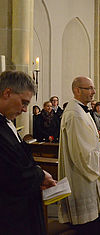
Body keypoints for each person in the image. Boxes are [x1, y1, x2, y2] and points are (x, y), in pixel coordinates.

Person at [0, 70, 56, 235]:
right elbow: (9, 170)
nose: (25, 110)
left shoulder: (7, 122)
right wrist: (39, 175)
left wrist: (38, 175)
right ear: (7, 93)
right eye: (23, 102)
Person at [58, 76, 100, 234]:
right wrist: (99, 157)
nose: (93, 92)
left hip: (88, 175)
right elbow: (80, 153)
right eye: (89, 88)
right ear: (77, 90)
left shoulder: (82, 111)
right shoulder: (75, 114)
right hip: (82, 177)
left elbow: (92, 141)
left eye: (93, 88)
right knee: (89, 226)